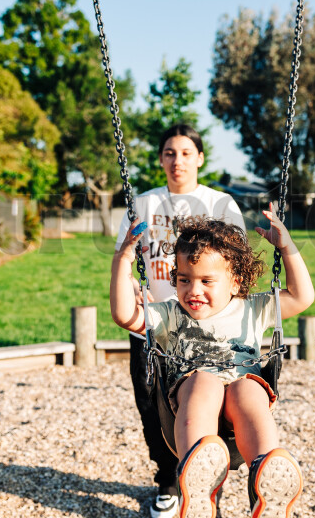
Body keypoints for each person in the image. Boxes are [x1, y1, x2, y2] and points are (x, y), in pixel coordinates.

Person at [110, 206, 315, 518]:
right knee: (204, 382)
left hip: (239, 406)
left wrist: (287, 248)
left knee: (247, 390)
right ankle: (198, 485)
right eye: (184, 280)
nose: (194, 290)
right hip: (192, 401)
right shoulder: (169, 313)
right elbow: (125, 315)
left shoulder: (253, 308)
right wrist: (122, 261)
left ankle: (268, 477)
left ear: (234, 282)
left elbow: (302, 297)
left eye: (207, 281)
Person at [113, 124, 246, 518]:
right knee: (151, 406)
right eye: (170, 153)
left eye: (186, 153)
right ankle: (168, 482)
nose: (178, 161)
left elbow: (236, 265)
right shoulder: (144, 204)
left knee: (209, 407)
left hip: (206, 327)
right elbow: (126, 254)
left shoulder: (219, 204)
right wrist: (134, 285)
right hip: (154, 323)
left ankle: (207, 486)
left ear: (200, 158)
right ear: (160, 159)